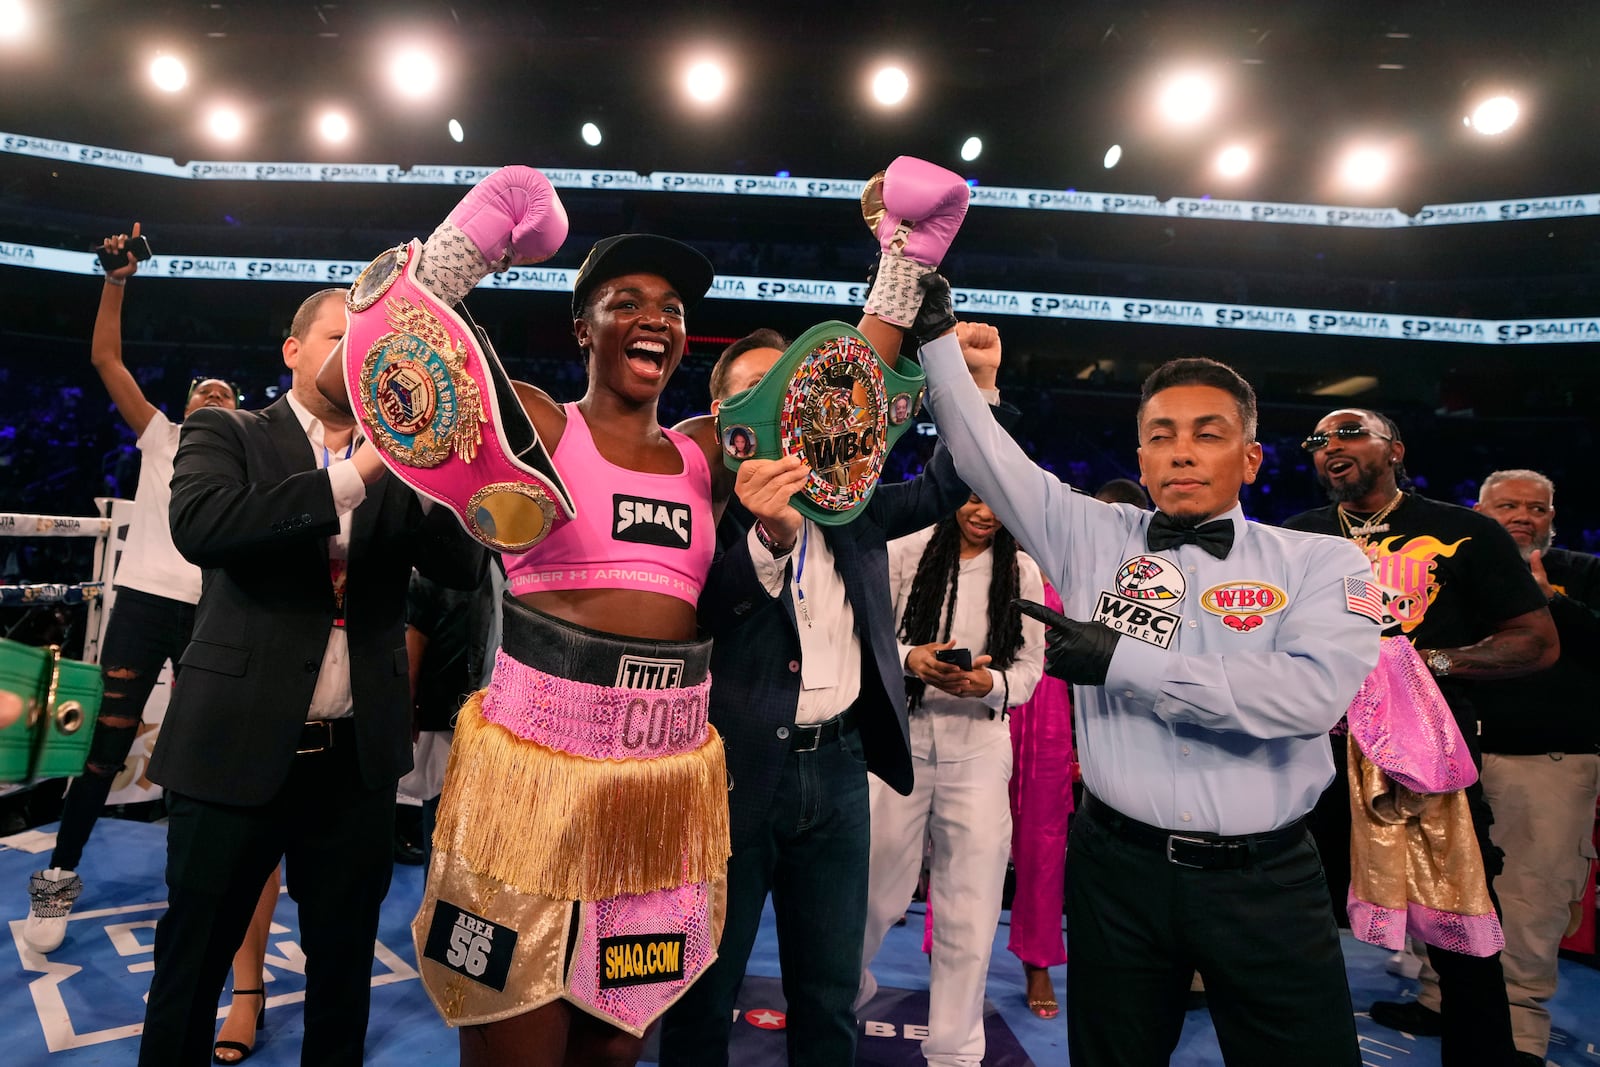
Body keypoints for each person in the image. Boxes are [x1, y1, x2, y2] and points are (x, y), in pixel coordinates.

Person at [913, 307, 1383, 1065]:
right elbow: (980, 454)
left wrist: (1122, 662)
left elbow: (1309, 700)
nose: (1181, 452)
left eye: (1207, 432)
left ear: (1254, 458)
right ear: (1141, 451)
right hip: (1117, 872)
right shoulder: (1090, 534)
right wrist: (933, 335)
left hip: (1265, 880)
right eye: (1161, 435)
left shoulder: (1325, 564)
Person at [658, 158, 984, 1067]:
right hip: (726, 774)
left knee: (829, 995)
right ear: (723, 420)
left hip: (839, 771)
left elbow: (957, 483)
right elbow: (698, 614)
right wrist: (763, 537)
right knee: (701, 994)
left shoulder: (860, 498)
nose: (782, 422)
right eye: (753, 400)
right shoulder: (693, 507)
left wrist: (968, 380)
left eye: (793, 398)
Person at [135, 286, 486, 1067]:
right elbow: (204, 525)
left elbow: (462, 565)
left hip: (355, 762)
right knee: (190, 967)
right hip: (232, 748)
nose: (355, 352)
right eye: (337, 336)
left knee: (341, 975)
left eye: (367, 339)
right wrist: (358, 472)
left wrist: (440, 464)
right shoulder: (226, 429)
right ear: (292, 350)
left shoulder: (403, 454)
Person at [1283, 410, 1558, 1067]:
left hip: (1426, 763)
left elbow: (1536, 641)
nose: (1331, 447)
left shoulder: (1466, 532)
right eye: (1318, 440)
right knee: (1291, 925)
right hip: (1311, 760)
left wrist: (1422, 663)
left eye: (1349, 432)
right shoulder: (1293, 538)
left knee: (1462, 923)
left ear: (1395, 449)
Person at [23, 225, 241, 957]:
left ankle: (195, 900)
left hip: (214, 613)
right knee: (103, 748)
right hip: (146, 603)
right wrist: (117, 281)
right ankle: (57, 874)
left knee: (203, 760)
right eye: (201, 388)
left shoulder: (253, 460)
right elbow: (105, 358)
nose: (212, 390)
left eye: (225, 389)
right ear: (187, 406)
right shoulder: (163, 439)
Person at [856, 496, 1045, 1066]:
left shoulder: (1023, 569)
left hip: (981, 745)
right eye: (969, 498)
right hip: (900, 741)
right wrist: (912, 659)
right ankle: (842, 993)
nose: (982, 512)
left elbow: (1031, 667)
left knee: (971, 905)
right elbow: (865, 637)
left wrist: (990, 684)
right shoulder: (904, 552)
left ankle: (955, 1051)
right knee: (871, 889)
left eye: (993, 500)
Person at [1464, 470, 1599, 1066]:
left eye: (1537, 508)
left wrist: (1549, 601)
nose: (1524, 516)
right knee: (1445, 890)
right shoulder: (1454, 571)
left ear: (1552, 517)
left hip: (1550, 761)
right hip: (1458, 756)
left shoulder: (1582, 572)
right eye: (1509, 506)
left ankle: (1520, 1037)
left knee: (1530, 899)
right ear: (1479, 512)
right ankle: (1440, 1001)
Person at [1006, 576, 1074, 1019]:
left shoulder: (1075, 560)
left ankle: (1038, 961)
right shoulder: (982, 544)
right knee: (955, 833)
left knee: (1043, 850)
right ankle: (944, 946)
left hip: (1050, 717)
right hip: (983, 702)